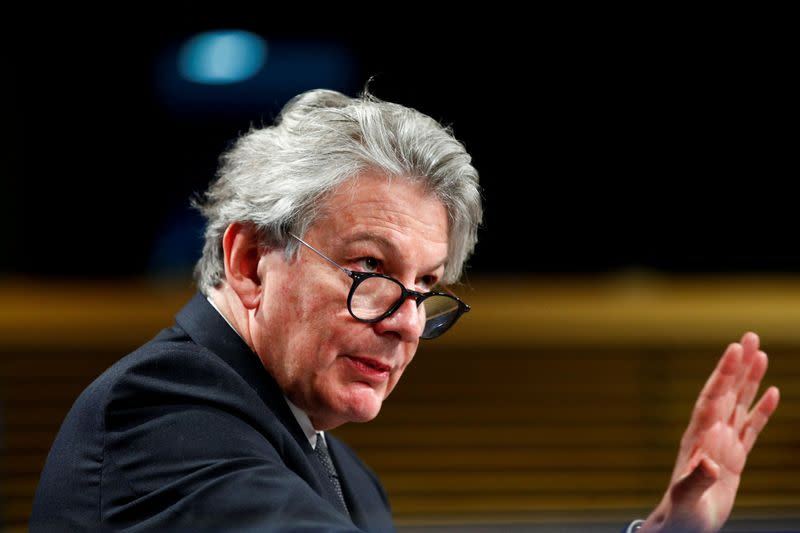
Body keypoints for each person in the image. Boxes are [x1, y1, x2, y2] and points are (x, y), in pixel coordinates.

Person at [30, 89, 780, 533]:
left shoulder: (350, 476)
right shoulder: (156, 417)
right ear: (250, 261)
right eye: (370, 269)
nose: (408, 321)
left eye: (424, 286)